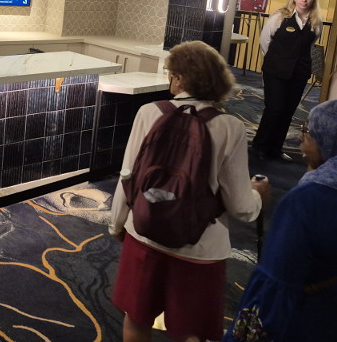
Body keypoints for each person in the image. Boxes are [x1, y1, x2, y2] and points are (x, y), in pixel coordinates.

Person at [109, 40, 270, 342]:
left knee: (137, 319)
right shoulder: (230, 127)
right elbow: (241, 207)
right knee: (191, 331)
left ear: (181, 78)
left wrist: (118, 225)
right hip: (200, 247)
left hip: (144, 232)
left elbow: (128, 177)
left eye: (171, 73)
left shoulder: (148, 112)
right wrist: (258, 195)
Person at [224, 97, 337, 341]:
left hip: (307, 320)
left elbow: (275, 281)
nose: (301, 137)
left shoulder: (308, 200)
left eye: (309, 131)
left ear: (330, 138)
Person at [251, 0, 323, 161]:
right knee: (274, 108)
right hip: (275, 70)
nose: (304, 0)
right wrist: (276, 60)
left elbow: (309, 46)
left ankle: (275, 148)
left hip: (299, 73)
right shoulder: (280, 17)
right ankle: (260, 146)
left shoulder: (316, 22)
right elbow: (265, 41)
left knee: (288, 111)